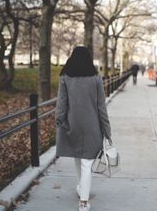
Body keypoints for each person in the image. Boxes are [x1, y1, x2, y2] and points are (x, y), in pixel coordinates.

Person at [55, 46, 112, 211]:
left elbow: (61, 104)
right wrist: (107, 130)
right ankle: (84, 201)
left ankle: (82, 190)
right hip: (92, 127)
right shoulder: (96, 78)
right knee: (86, 163)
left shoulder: (65, 77)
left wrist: (60, 122)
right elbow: (101, 107)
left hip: (72, 125)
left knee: (78, 159)